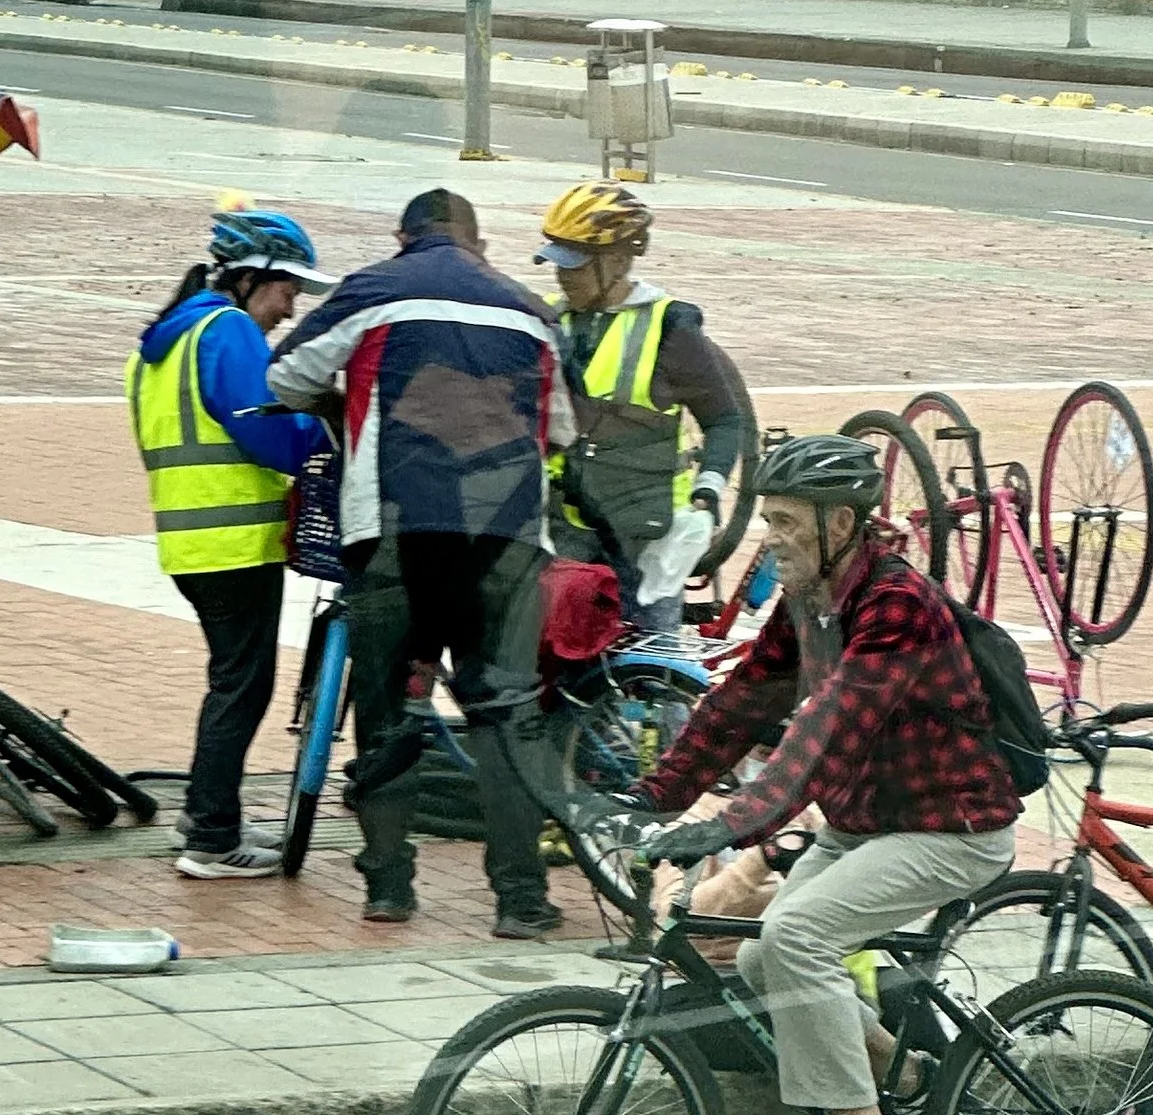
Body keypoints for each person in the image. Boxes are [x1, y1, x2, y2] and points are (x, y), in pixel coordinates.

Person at [631, 431, 1019, 1115]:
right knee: (761, 956)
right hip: (866, 822)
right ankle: (914, 1083)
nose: (769, 536)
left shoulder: (897, 605)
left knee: (798, 935)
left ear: (840, 523)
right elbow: (744, 700)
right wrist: (655, 795)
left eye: (785, 521)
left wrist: (734, 824)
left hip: (951, 827)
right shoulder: (809, 600)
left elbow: (827, 731)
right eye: (767, 519)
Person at [269, 187, 573, 936]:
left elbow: (284, 378)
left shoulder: (375, 288)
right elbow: (563, 428)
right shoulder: (531, 310)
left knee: (389, 713)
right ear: (477, 240)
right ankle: (520, 900)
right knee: (505, 717)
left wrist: (344, 401)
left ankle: (389, 888)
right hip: (505, 539)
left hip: (394, 533)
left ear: (404, 237)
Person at [130, 208, 331, 877]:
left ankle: (203, 814)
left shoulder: (162, 342)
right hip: (236, 542)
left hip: (189, 542)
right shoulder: (228, 330)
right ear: (251, 279)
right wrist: (321, 429)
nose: (290, 308)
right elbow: (267, 429)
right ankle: (213, 840)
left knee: (231, 681)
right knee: (242, 688)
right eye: (287, 290)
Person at [535, 180, 754, 648]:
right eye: (557, 264)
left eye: (574, 265)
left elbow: (723, 420)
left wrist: (707, 492)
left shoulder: (668, 326)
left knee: (651, 663)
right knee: (558, 661)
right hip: (566, 526)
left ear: (618, 261)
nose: (562, 276)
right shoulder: (549, 321)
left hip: (646, 537)